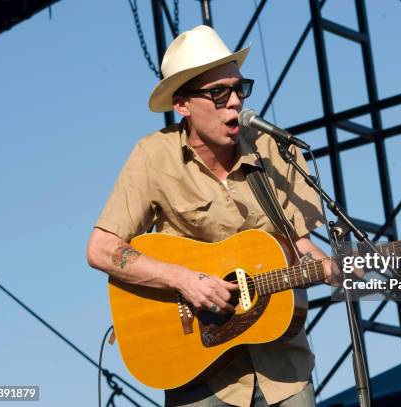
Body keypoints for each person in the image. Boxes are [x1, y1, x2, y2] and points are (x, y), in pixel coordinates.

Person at [86, 25, 330, 407]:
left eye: (239, 88)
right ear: (182, 104)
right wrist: (185, 280)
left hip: (283, 371)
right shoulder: (154, 158)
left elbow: (300, 249)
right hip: (198, 372)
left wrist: (348, 267)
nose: (234, 102)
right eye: (218, 93)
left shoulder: (275, 152)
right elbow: (101, 249)